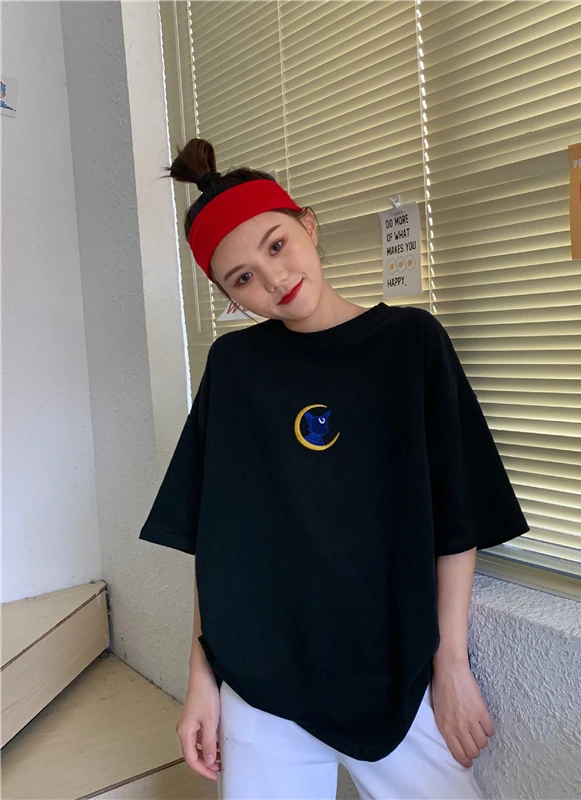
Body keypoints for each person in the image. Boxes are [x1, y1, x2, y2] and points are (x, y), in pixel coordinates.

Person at [139, 137, 530, 800]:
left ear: (309, 225)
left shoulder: (411, 344)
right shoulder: (236, 370)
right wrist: (202, 678)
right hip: (261, 683)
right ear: (228, 295)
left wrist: (451, 665)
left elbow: (455, 517)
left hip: (395, 672)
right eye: (242, 278)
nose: (273, 279)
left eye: (276, 245)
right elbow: (220, 541)